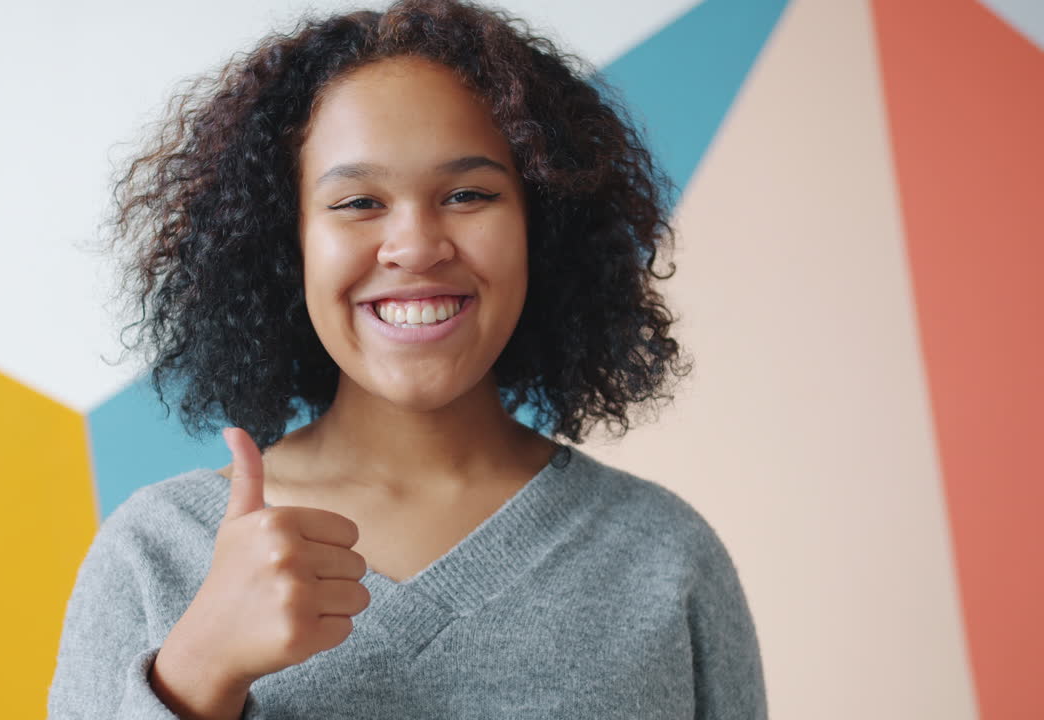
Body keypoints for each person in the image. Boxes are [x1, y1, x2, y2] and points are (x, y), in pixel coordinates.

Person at [48, 0, 766, 717]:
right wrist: (198, 671)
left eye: (467, 194)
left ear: (541, 228)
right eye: (359, 202)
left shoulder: (666, 559)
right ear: (283, 242)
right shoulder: (156, 552)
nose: (417, 246)